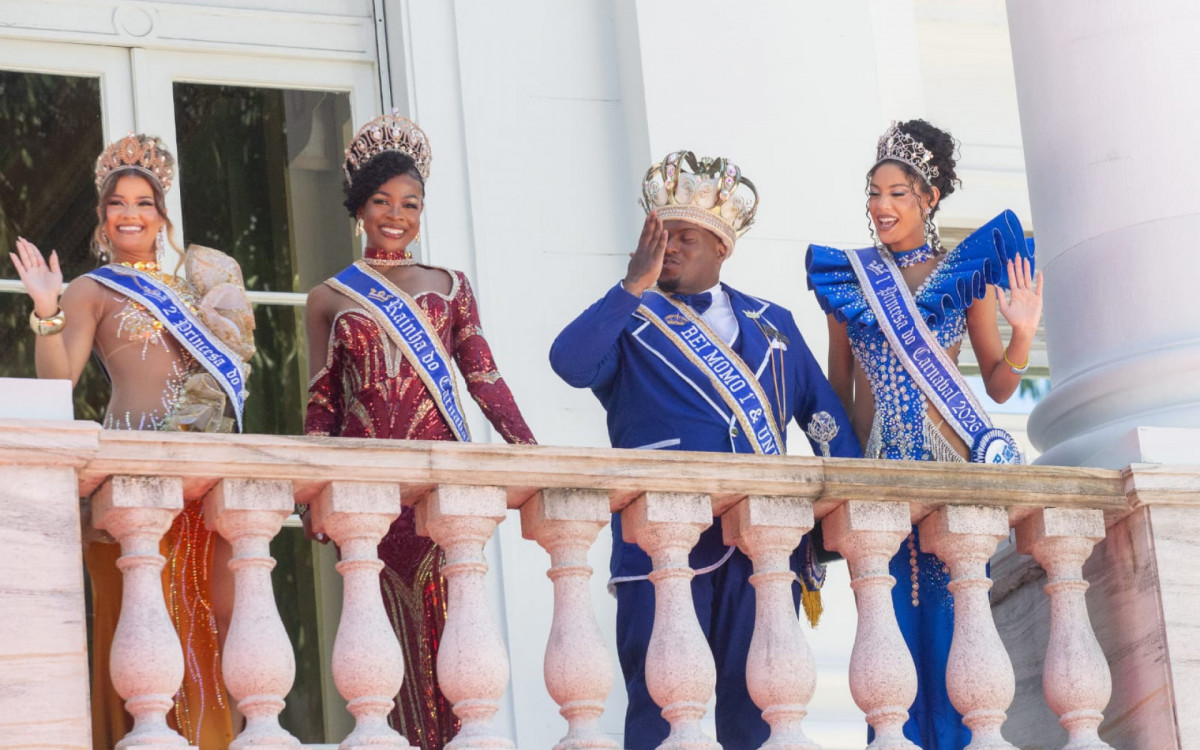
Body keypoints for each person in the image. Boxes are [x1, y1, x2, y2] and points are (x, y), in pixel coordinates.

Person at [549, 150, 860, 750]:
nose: (669, 246)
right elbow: (569, 361)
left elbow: (827, 429)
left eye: (686, 235)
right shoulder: (628, 321)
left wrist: (834, 531)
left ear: (722, 246)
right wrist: (630, 287)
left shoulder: (774, 324)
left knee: (759, 715)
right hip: (662, 546)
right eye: (661, 235)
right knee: (662, 715)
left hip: (760, 549)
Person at [9, 133, 255, 748]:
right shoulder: (91, 289)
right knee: (141, 619)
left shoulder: (199, 288)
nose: (130, 213)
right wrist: (46, 308)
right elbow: (58, 378)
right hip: (130, 468)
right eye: (117, 203)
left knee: (212, 614)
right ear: (103, 216)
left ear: (161, 215)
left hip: (198, 471)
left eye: (143, 203)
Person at [806, 119, 1043, 748]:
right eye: (873, 193)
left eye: (896, 194)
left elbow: (995, 384)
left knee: (956, 628)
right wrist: (842, 483)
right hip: (882, 472)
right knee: (886, 638)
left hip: (950, 471)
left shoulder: (962, 274)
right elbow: (840, 392)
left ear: (928, 199)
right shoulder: (848, 280)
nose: (880, 207)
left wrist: (1021, 335)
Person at [304, 113, 536, 750]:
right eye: (381, 201)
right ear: (359, 209)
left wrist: (529, 452)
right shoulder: (329, 296)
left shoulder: (451, 285)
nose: (396, 215)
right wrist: (313, 493)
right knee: (378, 650)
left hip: (439, 491)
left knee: (455, 640)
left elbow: (483, 378)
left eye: (410, 203)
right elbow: (322, 404)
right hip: (370, 495)